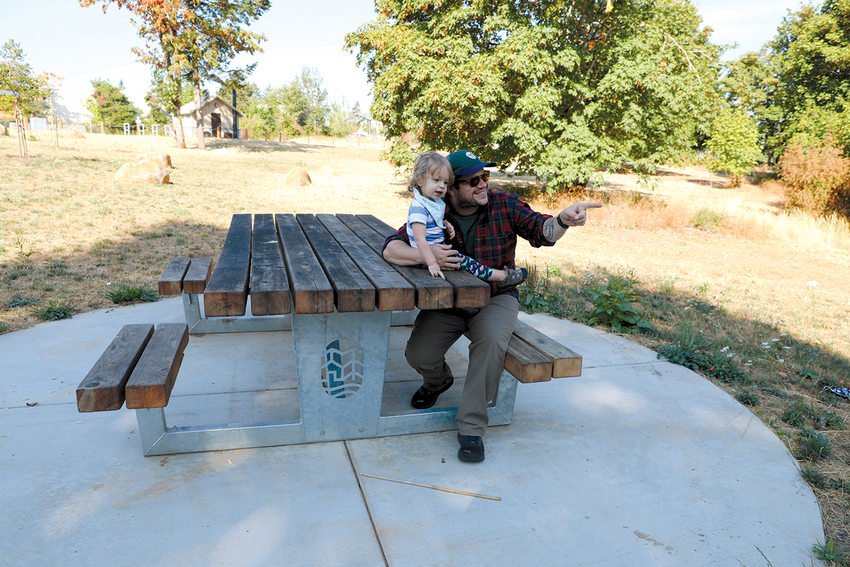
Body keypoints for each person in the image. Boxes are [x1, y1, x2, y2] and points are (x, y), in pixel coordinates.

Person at [383, 149, 602, 462]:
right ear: (452, 187)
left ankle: (471, 427)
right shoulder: (435, 210)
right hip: (451, 300)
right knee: (418, 353)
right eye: (473, 180)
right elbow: (391, 248)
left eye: (485, 176)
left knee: (489, 345)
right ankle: (438, 381)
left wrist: (563, 220)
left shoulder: (504, 203)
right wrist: (427, 254)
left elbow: (542, 230)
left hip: (497, 296)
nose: (483, 183)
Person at [406, 152, 526, 286]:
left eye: (445, 182)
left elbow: (431, 222)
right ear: (420, 180)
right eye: (436, 180)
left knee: (466, 268)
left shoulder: (433, 203)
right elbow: (419, 239)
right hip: (431, 262)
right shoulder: (419, 208)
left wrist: (445, 224)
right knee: (469, 263)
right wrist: (431, 262)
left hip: (440, 258)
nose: (442, 186)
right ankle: (502, 276)